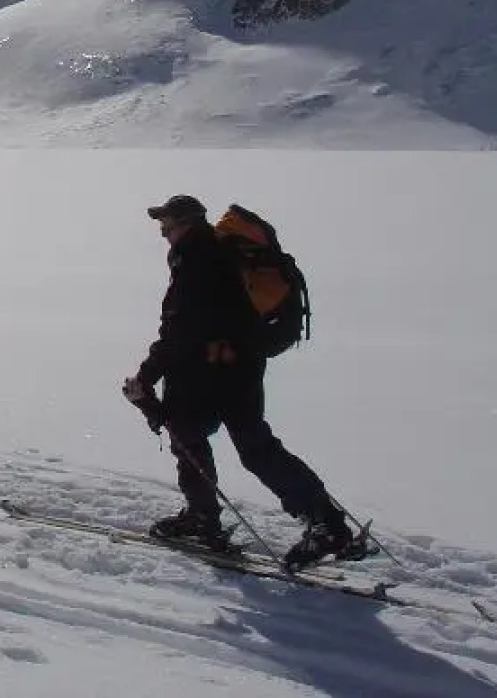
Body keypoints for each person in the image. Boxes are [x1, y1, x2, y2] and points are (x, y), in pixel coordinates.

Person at [122, 194, 353, 571]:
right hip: (243, 367)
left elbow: (178, 331)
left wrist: (146, 377)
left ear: (186, 224)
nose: (163, 232)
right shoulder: (223, 254)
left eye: (167, 224)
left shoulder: (195, 260)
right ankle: (326, 522)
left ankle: (202, 518)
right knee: (255, 447)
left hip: (207, 371)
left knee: (188, 434)